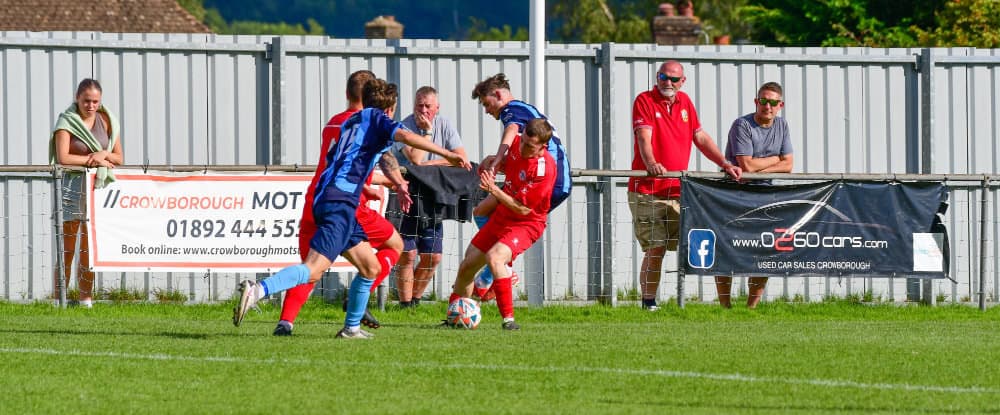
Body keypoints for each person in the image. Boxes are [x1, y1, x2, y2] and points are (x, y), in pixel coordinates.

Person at [234, 79, 471, 339]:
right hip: (340, 202)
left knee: (370, 267)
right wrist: (448, 154)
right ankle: (258, 290)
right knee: (314, 268)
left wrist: (386, 183)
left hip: (333, 198)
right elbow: (406, 137)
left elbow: (367, 159)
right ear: (389, 109)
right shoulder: (377, 118)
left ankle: (351, 328)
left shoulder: (352, 122)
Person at [272, 70, 407, 336]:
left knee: (310, 268)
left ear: (347, 93)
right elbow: (365, 164)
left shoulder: (334, 122)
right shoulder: (366, 124)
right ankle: (359, 301)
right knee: (395, 244)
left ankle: (285, 322)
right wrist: (388, 183)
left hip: (316, 198)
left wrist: (371, 185)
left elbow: (336, 164)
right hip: (348, 206)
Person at [629, 60, 742, 311]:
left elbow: (699, 137)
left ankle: (721, 304)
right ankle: (649, 303)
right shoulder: (645, 100)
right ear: (657, 77)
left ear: (682, 81)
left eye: (673, 79)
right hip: (647, 190)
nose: (668, 82)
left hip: (679, 191)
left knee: (698, 242)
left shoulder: (686, 103)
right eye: (663, 77)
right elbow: (644, 137)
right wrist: (651, 163)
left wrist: (725, 163)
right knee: (656, 248)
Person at [467, 73, 571, 301]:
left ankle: (499, 269)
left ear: (498, 94)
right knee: (482, 212)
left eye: (486, 104)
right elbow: (522, 156)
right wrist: (499, 160)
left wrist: (497, 161)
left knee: (515, 220)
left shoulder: (512, 109)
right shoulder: (525, 113)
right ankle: (496, 271)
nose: (487, 110)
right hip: (552, 182)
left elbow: (511, 130)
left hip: (553, 183)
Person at [445, 118, 556, 330]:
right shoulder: (517, 144)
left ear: (543, 146)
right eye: (523, 142)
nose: (523, 148)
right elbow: (512, 128)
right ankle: (455, 318)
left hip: (527, 223)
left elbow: (523, 209)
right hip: (503, 216)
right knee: (467, 266)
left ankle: (508, 320)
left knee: (495, 257)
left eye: (530, 146)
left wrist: (494, 189)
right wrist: (495, 161)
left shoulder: (544, 170)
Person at [715, 81, 793, 309]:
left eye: (773, 103)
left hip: (766, 196)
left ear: (780, 105)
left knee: (763, 250)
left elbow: (789, 165)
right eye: (763, 101)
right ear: (756, 102)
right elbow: (746, 166)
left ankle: (751, 308)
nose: (768, 106)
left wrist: (760, 169)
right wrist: (775, 159)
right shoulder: (742, 125)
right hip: (733, 196)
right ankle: (725, 306)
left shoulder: (782, 125)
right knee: (726, 249)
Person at [49, 78, 123, 308]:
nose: (91, 105)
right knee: (68, 246)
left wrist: (104, 155)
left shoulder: (107, 120)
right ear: (77, 98)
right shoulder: (66, 122)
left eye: (95, 101)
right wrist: (94, 159)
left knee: (88, 247)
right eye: (86, 101)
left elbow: (119, 157)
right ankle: (59, 299)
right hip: (71, 188)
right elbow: (63, 157)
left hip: (96, 188)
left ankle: (85, 299)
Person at [392, 86, 467, 308]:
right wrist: (426, 133)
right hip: (407, 195)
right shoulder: (403, 127)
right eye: (419, 106)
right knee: (407, 253)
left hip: (433, 196)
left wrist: (428, 166)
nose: (423, 110)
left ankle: (415, 300)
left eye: (428, 106)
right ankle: (405, 304)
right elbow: (415, 159)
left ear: (437, 107)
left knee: (433, 256)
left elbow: (461, 158)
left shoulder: (445, 124)